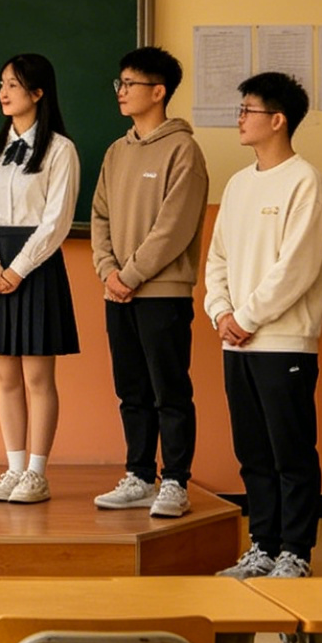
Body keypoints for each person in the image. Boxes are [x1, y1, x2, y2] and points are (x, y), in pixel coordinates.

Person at [203, 72, 322, 580]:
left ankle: (295, 552)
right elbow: (217, 258)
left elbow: (296, 268)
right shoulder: (238, 184)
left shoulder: (306, 181)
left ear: (278, 120)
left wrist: (246, 317)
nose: (239, 118)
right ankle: (262, 545)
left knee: (290, 451)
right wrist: (221, 312)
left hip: (284, 343)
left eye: (248, 110)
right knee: (253, 451)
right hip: (236, 343)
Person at [90, 46, 209, 520]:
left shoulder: (184, 150)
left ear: (158, 92)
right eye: (119, 83)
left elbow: (173, 228)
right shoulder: (116, 152)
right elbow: (99, 216)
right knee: (131, 390)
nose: (120, 92)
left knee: (169, 391)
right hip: (117, 292)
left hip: (162, 293)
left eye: (130, 84)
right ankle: (139, 475)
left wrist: (131, 275)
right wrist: (108, 271)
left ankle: (175, 480)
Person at [0, 54, 82, 505]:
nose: (3, 93)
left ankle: (37, 473)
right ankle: (14, 468)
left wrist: (19, 268)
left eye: (13, 85)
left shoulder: (60, 150)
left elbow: (57, 221)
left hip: (36, 265)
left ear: (38, 92)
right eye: (1, 84)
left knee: (38, 376)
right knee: (6, 377)